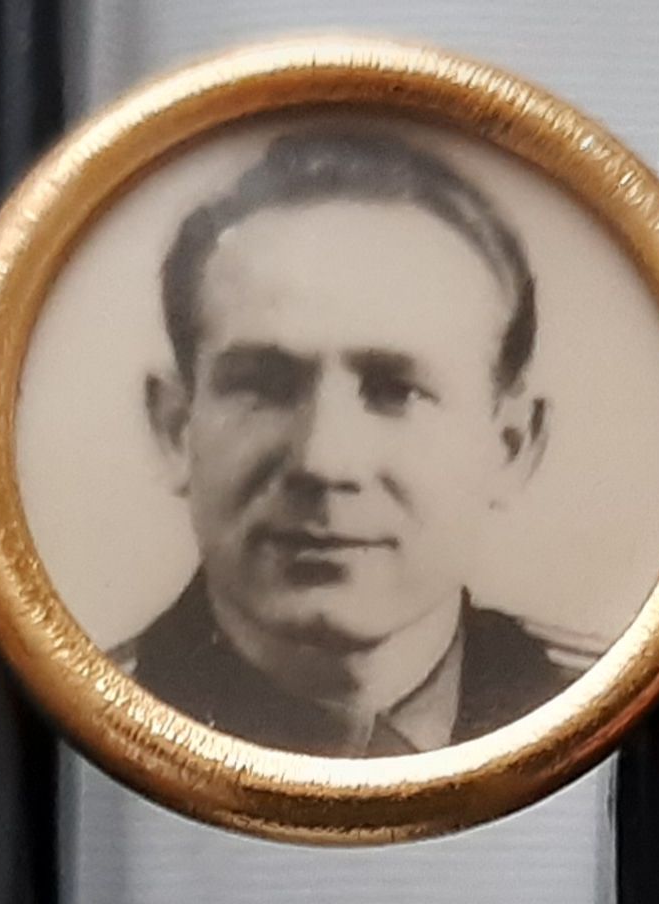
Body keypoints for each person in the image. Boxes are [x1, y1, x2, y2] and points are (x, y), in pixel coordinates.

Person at [114, 126, 580, 756]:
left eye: (397, 391)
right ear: (175, 428)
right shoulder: (75, 719)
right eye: (265, 387)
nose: (324, 461)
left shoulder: (616, 720)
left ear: (509, 446)